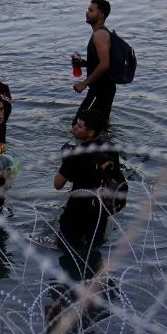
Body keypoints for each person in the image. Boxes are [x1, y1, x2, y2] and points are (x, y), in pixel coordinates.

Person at [55, 109, 115, 255]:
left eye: (80, 126)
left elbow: (57, 184)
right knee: (94, 251)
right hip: (100, 211)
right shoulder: (111, 149)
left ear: (90, 132)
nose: (75, 126)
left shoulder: (75, 154)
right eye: (76, 123)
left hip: (76, 211)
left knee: (66, 250)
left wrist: (66, 160)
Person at [72, 0, 115, 125]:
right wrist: (83, 63)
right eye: (88, 9)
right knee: (99, 127)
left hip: (100, 90)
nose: (87, 12)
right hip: (105, 89)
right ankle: (105, 144)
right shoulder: (101, 33)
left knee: (78, 125)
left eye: (91, 10)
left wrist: (84, 83)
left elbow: (105, 64)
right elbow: (102, 61)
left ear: (101, 15)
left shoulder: (99, 35)